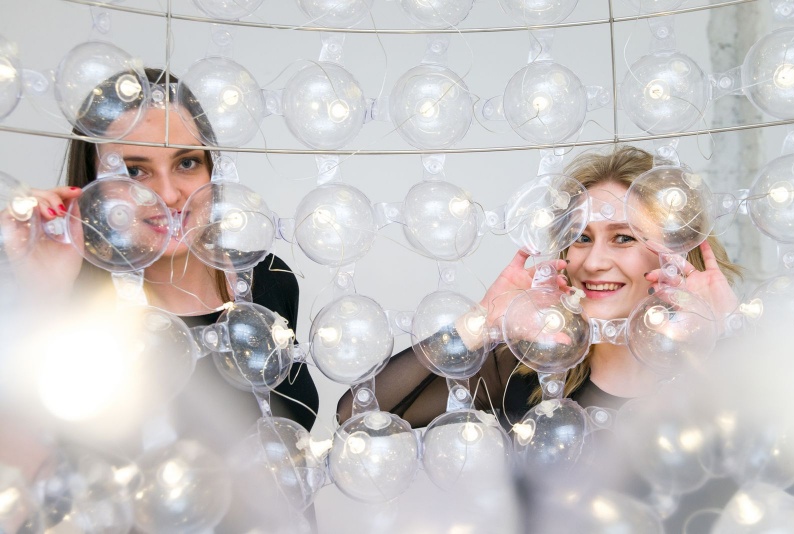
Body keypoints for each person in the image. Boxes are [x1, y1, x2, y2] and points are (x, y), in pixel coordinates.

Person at [9, 67, 319, 450]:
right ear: (93, 188)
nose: (168, 195)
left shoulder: (268, 277)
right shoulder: (68, 307)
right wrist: (45, 293)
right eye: (135, 171)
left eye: (186, 163)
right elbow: (35, 457)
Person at [337, 145, 742, 429]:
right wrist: (483, 321)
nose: (593, 261)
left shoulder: (718, 375)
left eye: (623, 238)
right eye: (581, 238)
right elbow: (356, 413)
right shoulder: (525, 370)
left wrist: (726, 329)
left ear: (674, 252)